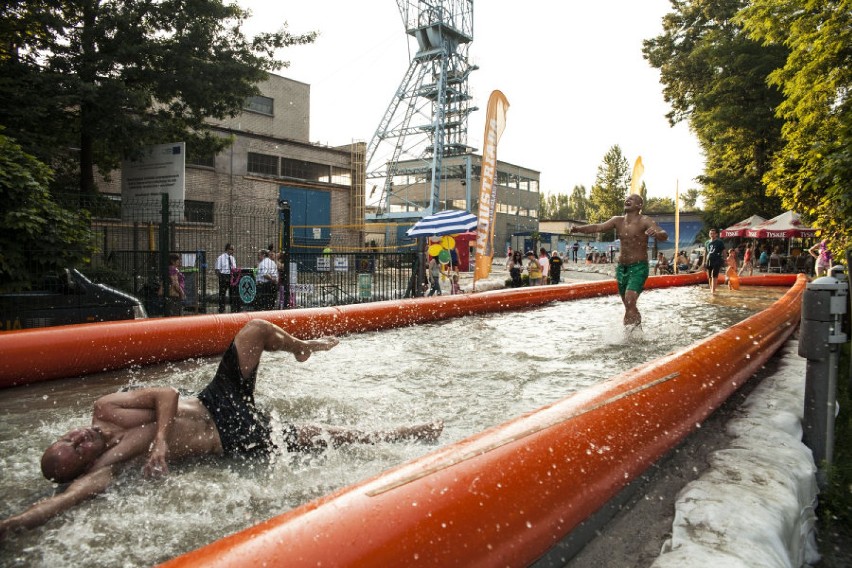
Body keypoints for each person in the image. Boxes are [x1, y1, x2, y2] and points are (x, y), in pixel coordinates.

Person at [0, 319, 443, 537]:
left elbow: (167, 395)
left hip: (215, 399)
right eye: (76, 449)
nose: (78, 437)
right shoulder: (105, 467)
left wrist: (158, 443)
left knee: (254, 329)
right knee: (323, 436)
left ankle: (302, 347)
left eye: (67, 437)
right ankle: (407, 432)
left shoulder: (106, 409)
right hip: (228, 437)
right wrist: (15, 523)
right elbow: (63, 503)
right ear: (83, 464)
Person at [568, 194, 668, 327]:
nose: (627, 200)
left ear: (639, 205)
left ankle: (632, 335)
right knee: (628, 305)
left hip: (638, 267)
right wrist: (578, 229)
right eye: (626, 198)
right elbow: (598, 227)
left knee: (630, 300)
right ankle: (635, 332)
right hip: (622, 268)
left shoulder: (645, 220)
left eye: (632, 199)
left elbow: (664, 235)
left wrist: (657, 234)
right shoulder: (617, 220)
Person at [701, 229, 726, 294]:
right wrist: (703, 262)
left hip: (717, 259)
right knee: (709, 276)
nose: (712, 235)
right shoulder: (707, 242)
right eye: (711, 233)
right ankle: (711, 288)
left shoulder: (719, 242)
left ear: (716, 234)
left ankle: (713, 290)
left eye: (713, 233)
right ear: (709, 234)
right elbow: (705, 252)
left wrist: (725, 259)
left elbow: (724, 251)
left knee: (714, 275)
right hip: (708, 260)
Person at [215, 244, 237, 314]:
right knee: (222, 293)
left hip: (231, 276)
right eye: (231, 249)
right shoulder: (220, 258)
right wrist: (221, 277)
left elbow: (234, 268)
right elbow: (217, 270)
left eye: (233, 249)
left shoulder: (232, 258)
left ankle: (233, 307)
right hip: (224, 276)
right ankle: (221, 308)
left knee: (232, 293)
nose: (233, 251)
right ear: (227, 249)